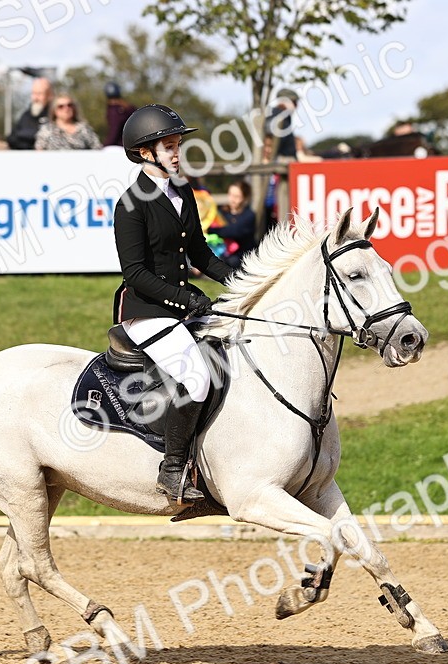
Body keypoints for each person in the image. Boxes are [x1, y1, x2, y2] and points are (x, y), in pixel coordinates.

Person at [112, 104, 234, 503]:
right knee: (197, 378)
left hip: (180, 310)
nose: (177, 152)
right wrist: (186, 298)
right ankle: (173, 468)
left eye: (178, 144)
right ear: (145, 152)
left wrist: (243, 280)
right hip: (146, 312)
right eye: (169, 146)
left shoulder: (182, 191)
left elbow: (200, 254)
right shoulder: (130, 205)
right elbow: (136, 274)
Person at [208, 179, 257, 272]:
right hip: (222, 252)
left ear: (245, 197)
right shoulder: (222, 212)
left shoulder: (249, 215)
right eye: (230, 195)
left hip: (242, 255)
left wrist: (213, 230)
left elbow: (234, 231)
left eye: (237, 196)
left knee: (231, 261)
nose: (233, 199)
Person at [34, 94, 101, 150]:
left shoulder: (84, 129)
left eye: (69, 105)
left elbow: (97, 149)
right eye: (61, 106)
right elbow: (39, 151)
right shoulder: (47, 130)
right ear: (54, 111)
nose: (66, 109)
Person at [7, 77, 53, 150]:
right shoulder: (26, 115)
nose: (36, 98)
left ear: (50, 96)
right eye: (34, 93)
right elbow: (12, 138)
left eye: (40, 93)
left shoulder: (54, 115)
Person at [103, 81, 137, 147]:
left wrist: (104, 145)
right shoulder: (128, 107)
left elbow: (114, 132)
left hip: (120, 146)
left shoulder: (114, 110)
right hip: (133, 144)